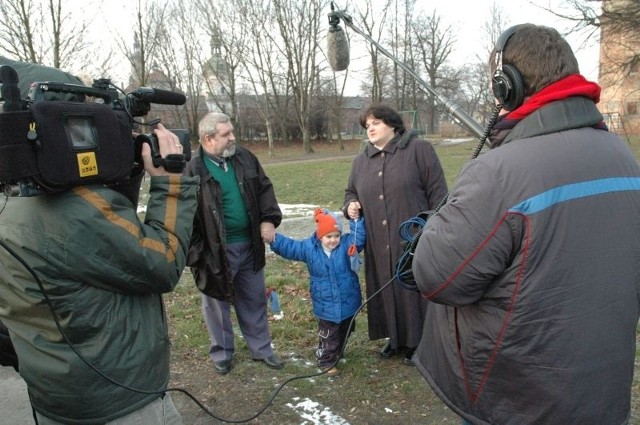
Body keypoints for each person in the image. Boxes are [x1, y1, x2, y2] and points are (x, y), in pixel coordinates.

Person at [411, 23, 640, 424]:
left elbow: (436, 275)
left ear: (507, 87)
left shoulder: (498, 174)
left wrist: (442, 217)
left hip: (515, 401)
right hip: (600, 393)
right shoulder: (625, 159)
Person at [0, 64, 198, 424]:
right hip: (119, 402)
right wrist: (171, 182)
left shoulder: (10, 205)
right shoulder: (75, 211)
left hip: (55, 397)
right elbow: (164, 261)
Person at [343, 103, 448, 366]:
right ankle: (396, 339)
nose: (371, 129)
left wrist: (432, 229)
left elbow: (439, 194)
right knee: (386, 288)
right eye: (367, 126)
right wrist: (350, 206)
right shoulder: (361, 161)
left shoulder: (418, 150)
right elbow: (350, 193)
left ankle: (422, 343)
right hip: (378, 241)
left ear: (392, 124)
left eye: (375, 123)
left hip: (414, 237)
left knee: (413, 288)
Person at [184, 111, 284, 376]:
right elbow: (184, 218)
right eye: (226, 134)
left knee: (253, 299)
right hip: (213, 251)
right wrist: (197, 255)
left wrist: (269, 220)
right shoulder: (192, 169)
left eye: (232, 132)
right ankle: (223, 353)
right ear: (208, 139)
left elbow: (264, 190)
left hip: (249, 245)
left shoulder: (244, 158)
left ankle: (261, 349)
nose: (233, 138)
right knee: (216, 304)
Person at [270, 208, 366, 375]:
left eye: (336, 236)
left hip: (348, 301)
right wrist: (274, 239)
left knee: (345, 329)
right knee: (329, 335)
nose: (333, 240)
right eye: (329, 237)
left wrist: (356, 220)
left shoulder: (346, 245)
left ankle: (338, 351)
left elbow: (359, 237)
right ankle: (326, 360)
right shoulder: (309, 248)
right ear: (320, 236)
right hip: (325, 304)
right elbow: (291, 247)